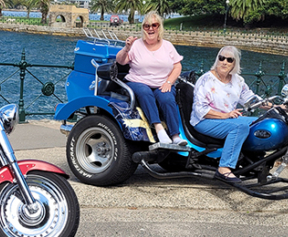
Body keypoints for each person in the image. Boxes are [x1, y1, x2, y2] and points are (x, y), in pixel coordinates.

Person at [190, 46, 274, 183]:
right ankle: (223, 168)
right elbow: (200, 110)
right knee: (239, 128)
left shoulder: (237, 80)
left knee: (261, 122)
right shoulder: (206, 80)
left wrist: (275, 107)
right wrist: (225, 115)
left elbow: (251, 100)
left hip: (228, 119)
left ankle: (255, 162)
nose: (224, 62)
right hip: (204, 121)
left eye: (229, 60)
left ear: (234, 64)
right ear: (217, 59)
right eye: (221, 58)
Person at [115, 11, 185, 146]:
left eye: (154, 25)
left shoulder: (167, 45)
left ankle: (175, 135)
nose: (150, 29)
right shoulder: (136, 45)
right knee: (145, 92)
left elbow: (177, 66)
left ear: (159, 27)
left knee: (167, 98)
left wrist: (169, 82)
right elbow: (121, 61)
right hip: (138, 81)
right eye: (147, 26)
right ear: (143, 28)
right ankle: (158, 128)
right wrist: (126, 48)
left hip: (162, 83)